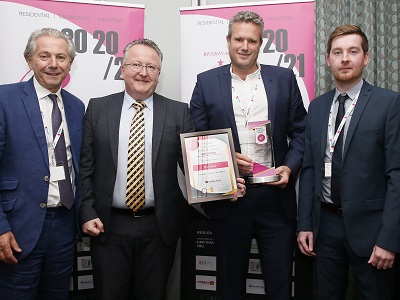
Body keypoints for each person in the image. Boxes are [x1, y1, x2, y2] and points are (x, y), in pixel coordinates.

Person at [79, 38, 245, 300]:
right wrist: (86, 211)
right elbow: (86, 166)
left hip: (158, 228)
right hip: (108, 227)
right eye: (136, 64)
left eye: (151, 67)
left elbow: (195, 165)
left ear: (158, 74)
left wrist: (226, 185)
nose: (143, 72)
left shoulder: (178, 112)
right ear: (122, 69)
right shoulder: (98, 108)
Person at [190, 11, 307, 300]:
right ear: (228, 41)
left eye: (251, 40)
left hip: (275, 197)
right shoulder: (206, 82)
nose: (245, 46)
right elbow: (195, 141)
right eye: (239, 39)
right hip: (231, 198)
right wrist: (228, 164)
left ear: (261, 43)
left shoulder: (283, 78)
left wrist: (289, 169)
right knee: (230, 285)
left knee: (280, 284)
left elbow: (302, 134)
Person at [297, 24, 400, 300]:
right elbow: (309, 170)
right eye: (338, 52)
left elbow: (397, 175)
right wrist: (305, 224)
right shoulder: (317, 108)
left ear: (365, 57)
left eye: (353, 51)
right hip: (325, 225)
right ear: (328, 59)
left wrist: (389, 239)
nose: (345, 58)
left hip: (372, 228)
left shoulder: (389, 104)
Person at [0, 28, 85, 299]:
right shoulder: (5, 100)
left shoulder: (76, 106)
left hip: (64, 225)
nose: (53, 64)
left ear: (70, 64)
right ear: (29, 60)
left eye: (61, 57)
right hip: (18, 226)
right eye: (44, 56)